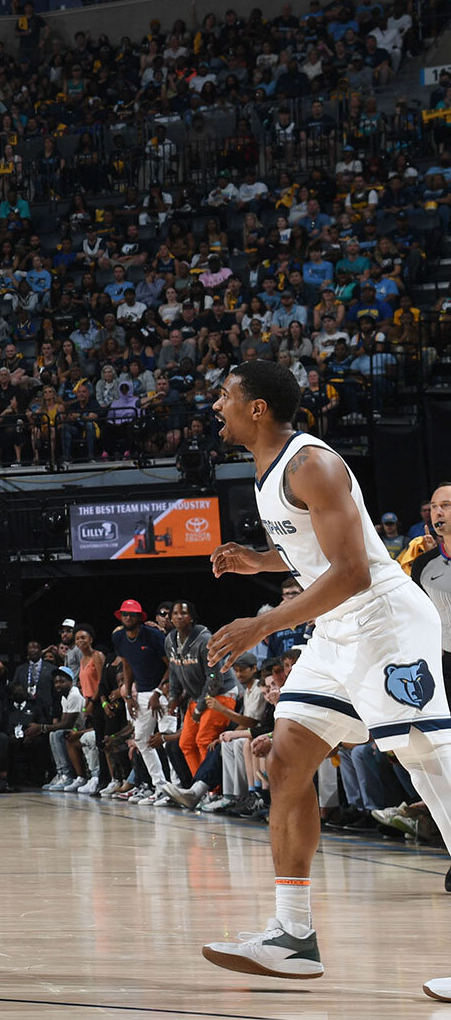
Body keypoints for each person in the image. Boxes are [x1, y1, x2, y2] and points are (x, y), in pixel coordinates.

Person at [199, 361, 447, 990]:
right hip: (337, 631)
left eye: (226, 396)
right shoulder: (266, 472)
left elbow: (356, 571)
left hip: (383, 621)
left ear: (258, 408)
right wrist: (259, 562)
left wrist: (264, 623)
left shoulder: (313, 462)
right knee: (286, 760)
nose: (217, 405)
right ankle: (293, 935)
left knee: (432, 766)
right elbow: (309, 552)